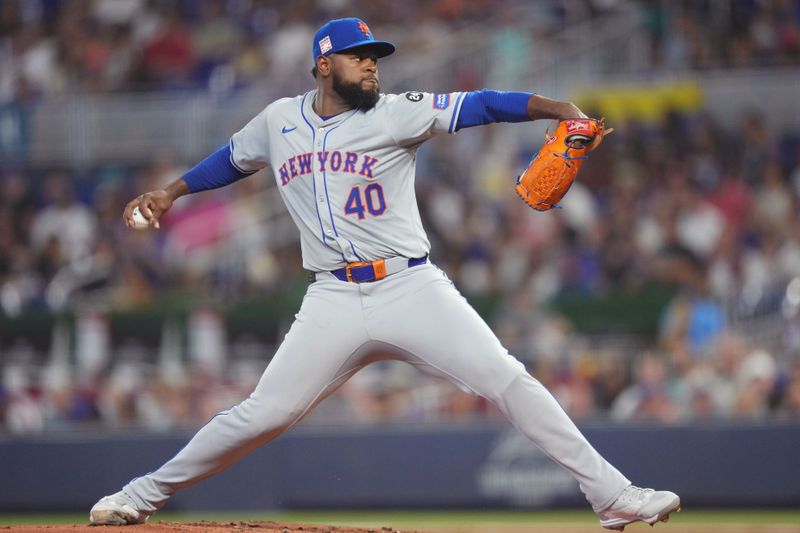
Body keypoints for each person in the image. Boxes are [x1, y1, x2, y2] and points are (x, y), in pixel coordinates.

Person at [90, 18, 680, 531]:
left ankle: (612, 496)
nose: (373, 68)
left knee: (507, 379)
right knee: (262, 415)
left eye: (376, 59)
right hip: (331, 297)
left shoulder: (397, 114)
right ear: (325, 64)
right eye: (361, 58)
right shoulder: (278, 121)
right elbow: (232, 158)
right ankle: (139, 496)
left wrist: (558, 110)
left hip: (409, 286)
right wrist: (171, 191)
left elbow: (479, 104)